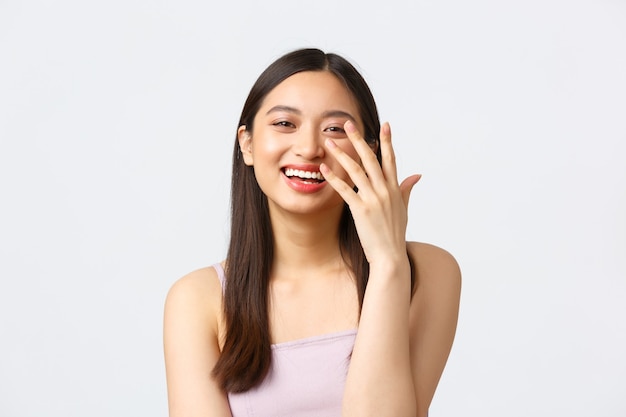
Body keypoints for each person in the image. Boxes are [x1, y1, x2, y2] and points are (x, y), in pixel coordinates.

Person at [163, 47, 461, 417]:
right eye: (285, 124)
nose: (308, 149)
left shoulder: (427, 271)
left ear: (368, 151)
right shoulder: (198, 299)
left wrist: (387, 266)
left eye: (335, 129)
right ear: (248, 143)